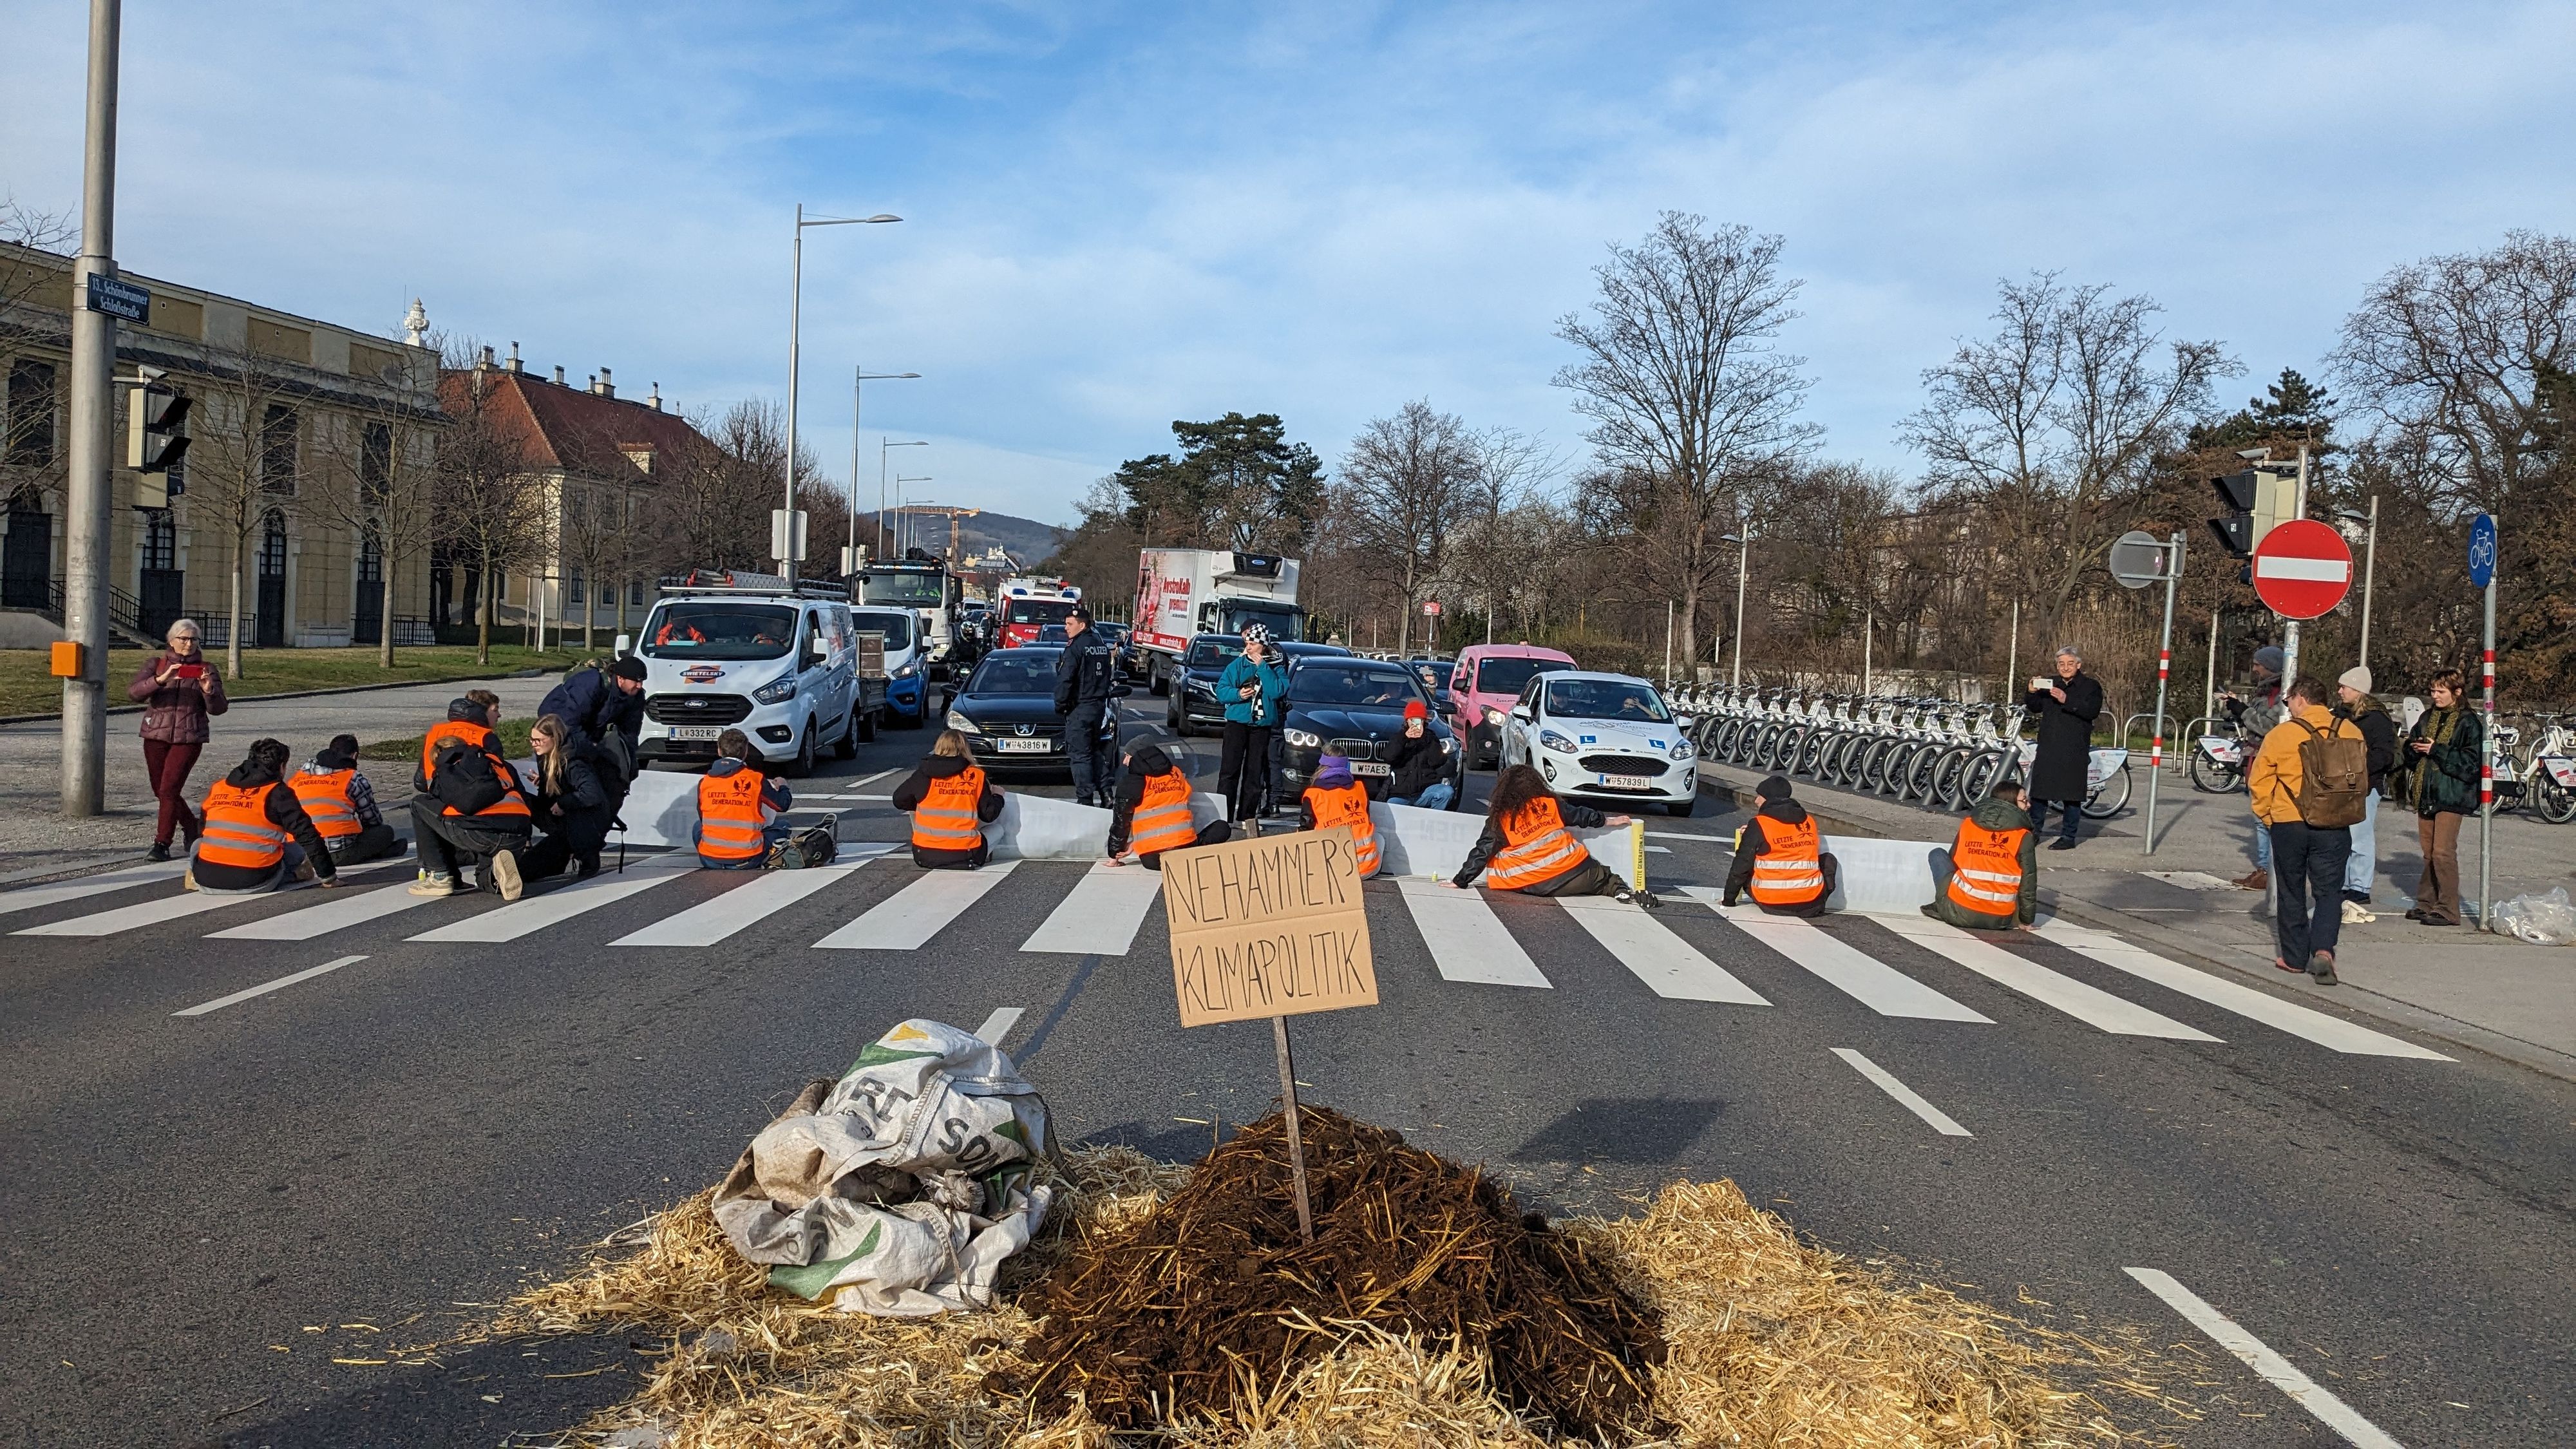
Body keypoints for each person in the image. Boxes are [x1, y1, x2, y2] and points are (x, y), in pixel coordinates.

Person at [2247, 676, 2364, 984]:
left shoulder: (2282, 734)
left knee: (2291, 890)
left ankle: (2295, 958)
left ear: (2300, 698)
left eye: (2289, 701)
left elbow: (2259, 782)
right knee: (2329, 892)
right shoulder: (2351, 731)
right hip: (2335, 822)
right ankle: (2324, 950)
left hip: (2290, 821)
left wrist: (2268, 816)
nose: (2289, 706)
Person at [1443, 763, 1653, 905]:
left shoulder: (1501, 819)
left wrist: (1460, 880)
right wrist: (1610, 820)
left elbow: (1483, 851)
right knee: (1605, 876)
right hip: (1578, 874)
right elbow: (1581, 815)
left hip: (1538, 885)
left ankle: (1611, 886)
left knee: (1497, 863)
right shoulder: (1550, 805)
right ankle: (1618, 889)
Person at [408, 696, 534, 900]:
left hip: (481, 832)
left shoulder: (444, 762)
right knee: (482, 878)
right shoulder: (492, 753)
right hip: (517, 831)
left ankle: (441, 877)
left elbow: (422, 784)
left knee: (421, 807)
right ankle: (495, 873)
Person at [186, 737, 340, 895]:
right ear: (282, 766)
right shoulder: (277, 793)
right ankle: (293, 875)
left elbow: (202, 830)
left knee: (198, 844)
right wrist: (328, 877)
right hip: (254, 881)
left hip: (206, 880)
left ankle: (193, 875)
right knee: (295, 850)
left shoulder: (219, 787)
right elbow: (308, 835)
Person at [129, 618, 227, 862]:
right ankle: (191, 826)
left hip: (189, 736)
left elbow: (219, 709)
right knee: (160, 790)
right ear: (171, 641)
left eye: (193, 639)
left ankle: (162, 843)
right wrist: (161, 679)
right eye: (183, 639)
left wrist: (208, 689)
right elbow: (134, 693)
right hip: (156, 734)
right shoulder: (156, 664)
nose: (188, 644)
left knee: (169, 789)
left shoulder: (207, 668)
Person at [2398, 670, 2481, 927]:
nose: (2435, 696)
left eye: (2441, 691)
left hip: (2452, 794)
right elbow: (2408, 753)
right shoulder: (2426, 717)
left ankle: (2448, 908)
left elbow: (2471, 764)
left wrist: (2436, 750)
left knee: (2443, 852)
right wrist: (2414, 749)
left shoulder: (2469, 722)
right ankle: (2426, 902)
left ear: (2457, 692)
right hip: (2426, 791)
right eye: (2433, 691)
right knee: (2429, 853)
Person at [1925, 776, 2038, 931]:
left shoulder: (1969, 824)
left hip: (1960, 911)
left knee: (1938, 855)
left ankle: (1942, 905)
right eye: (2024, 801)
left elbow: (1954, 863)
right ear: (2011, 804)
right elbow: (2028, 882)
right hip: (2000, 919)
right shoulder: (2023, 836)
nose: (2029, 805)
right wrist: (2026, 920)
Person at [2333, 666, 2399, 923]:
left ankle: (2360, 887)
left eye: (2344, 687)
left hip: (2365, 784)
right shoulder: (2339, 714)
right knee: (2343, 836)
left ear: (2358, 690)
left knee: (2360, 835)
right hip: (2340, 784)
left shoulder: (2376, 719)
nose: (2339, 691)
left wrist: (2357, 768)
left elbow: (2384, 754)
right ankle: (2347, 882)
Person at [538, 656, 647, 808]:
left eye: (642, 681)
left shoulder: (636, 697)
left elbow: (630, 731)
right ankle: (550, 810)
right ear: (620, 679)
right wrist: (591, 749)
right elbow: (569, 722)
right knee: (568, 770)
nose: (640, 686)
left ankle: (602, 815)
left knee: (618, 772)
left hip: (588, 727)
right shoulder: (591, 683)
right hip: (555, 724)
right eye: (636, 681)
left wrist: (628, 761)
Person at [2022, 645, 2102, 851]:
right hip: (2049, 744)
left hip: (2074, 747)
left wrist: (2066, 700)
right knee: (2040, 793)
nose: (2065, 668)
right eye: (2061, 664)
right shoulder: (2050, 683)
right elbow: (2035, 706)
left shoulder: (2091, 686)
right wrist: (2031, 692)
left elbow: (2092, 711)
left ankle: (2068, 835)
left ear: (2078, 665)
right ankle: (2034, 832)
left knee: (2071, 796)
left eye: (2069, 663)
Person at [1721, 775, 1836, 916]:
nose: (1756, 801)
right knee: (1828, 860)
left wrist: (1729, 900)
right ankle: (1814, 900)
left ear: (1769, 799)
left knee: (1750, 861)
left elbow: (1741, 865)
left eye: (1759, 796)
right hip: (1811, 904)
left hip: (1771, 903)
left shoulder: (1759, 824)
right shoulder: (1809, 822)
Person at [893, 730, 1006, 869]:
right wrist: (998, 796)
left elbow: (899, 800)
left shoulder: (925, 774)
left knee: (919, 807)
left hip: (924, 854)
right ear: (965, 749)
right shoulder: (975, 775)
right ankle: (984, 856)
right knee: (998, 829)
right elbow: (989, 815)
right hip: (966, 854)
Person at [2223, 645, 2287, 889]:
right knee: (2260, 815)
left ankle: (2268, 870)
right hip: (2257, 757)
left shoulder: (2280, 694)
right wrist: (2238, 710)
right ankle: (2264, 867)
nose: (2255, 668)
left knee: (2264, 817)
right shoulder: (2265, 691)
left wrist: (2243, 712)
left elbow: (2269, 727)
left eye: (2258, 664)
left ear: (2270, 665)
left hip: (2269, 759)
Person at [1106, 743, 1230, 869]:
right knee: (1222, 827)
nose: (1125, 761)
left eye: (1128, 756)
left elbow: (1121, 822)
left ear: (1138, 758)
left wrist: (1114, 856)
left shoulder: (1131, 782)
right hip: (1185, 848)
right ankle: (1194, 854)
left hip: (1152, 858)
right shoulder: (1176, 774)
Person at [522, 714, 615, 881]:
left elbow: (591, 793)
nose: (534, 744)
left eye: (539, 740)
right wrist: (544, 781)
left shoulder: (574, 762)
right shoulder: (547, 757)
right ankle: (522, 846)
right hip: (563, 816)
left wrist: (563, 804)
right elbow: (561, 787)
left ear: (555, 738)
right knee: (521, 800)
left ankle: (587, 855)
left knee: (534, 864)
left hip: (583, 822)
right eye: (532, 739)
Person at [1215, 624, 1288, 835]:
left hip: (1261, 726)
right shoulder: (1237, 665)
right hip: (1237, 724)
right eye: (1247, 643)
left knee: (1254, 773)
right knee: (1229, 771)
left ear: (1263, 646)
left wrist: (1263, 668)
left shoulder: (1276, 666)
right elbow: (1221, 691)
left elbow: (1277, 692)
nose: (1249, 648)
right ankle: (1224, 816)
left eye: (1253, 644)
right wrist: (1238, 694)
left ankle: (1247, 816)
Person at [289, 734, 402, 866]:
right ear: (354, 756)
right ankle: (381, 851)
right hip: (337, 853)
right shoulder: (353, 778)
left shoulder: (298, 777)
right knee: (385, 832)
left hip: (299, 852)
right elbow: (373, 820)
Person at [695, 728, 793, 869]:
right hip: (747, 858)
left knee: (697, 827)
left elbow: (702, 817)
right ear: (746, 752)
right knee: (783, 826)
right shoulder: (755, 779)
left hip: (710, 860)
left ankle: (714, 853)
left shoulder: (706, 781)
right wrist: (783, 786)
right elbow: (782, 805)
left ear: (719, 751)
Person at [1053, 607, 1117, 807]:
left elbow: (1066, 679)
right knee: (1094, 752)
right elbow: (1107, 676)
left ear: (1082, 625)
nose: (1066, 628)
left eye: (1070, 624)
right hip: (1097, 707)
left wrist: (1060, 704)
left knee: (1080, 756)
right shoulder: (1099, 645)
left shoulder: (1076, 647)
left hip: (1079, 708)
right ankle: (1106, 794)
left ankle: (1085, 801)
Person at [1298, 747, 1382, 878]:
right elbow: (1367, 817)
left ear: (1322, 765)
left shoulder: (1313, 794)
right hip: (1369, 868)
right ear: (1346, 765)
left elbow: (1306, 828)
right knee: (1379, 837)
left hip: (1333, 869)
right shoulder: (1359, 788)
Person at [1385, 700, 1455, 810]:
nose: (1415, 724)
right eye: (1412, 720)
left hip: (1425, 791)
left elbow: (1438, 761)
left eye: (1419, 721)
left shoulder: (1430, 738)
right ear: (1407, 721)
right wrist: (1405, 738)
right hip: (1401, 793)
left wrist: (1426, 740)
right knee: (1392, 804)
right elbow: (1389, 757)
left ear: (1424, 721)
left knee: (1446, 792)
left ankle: (1433, 820)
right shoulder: (1399, 738)